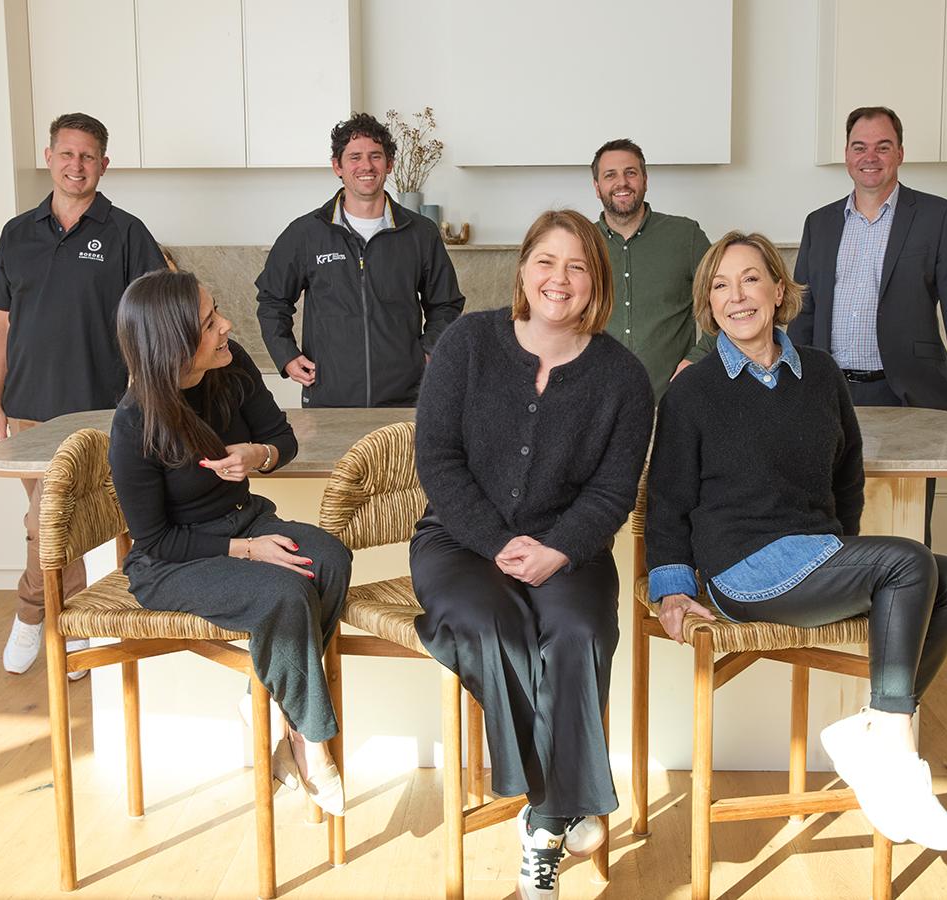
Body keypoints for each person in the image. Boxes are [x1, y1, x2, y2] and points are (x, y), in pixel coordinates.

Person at [646, 231, 947, 852]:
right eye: (719, 285)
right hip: (740, 570)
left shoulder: (820, 374)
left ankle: (877, 726)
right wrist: (671, 588)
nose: (735, 296)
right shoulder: (693, 389)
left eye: (749, 279)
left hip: (815, 557)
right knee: (906, 563)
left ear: (778, 290)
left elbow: (846, 474)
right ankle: (896, 753)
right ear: (707, 303)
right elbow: (667, 499)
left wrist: (849, 561)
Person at [411, 210, 653, 898]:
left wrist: (557, 549)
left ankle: (541, 830)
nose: (560, 278)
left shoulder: (624, 378)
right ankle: (562, 799)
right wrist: (496, 541)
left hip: (570, 551)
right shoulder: (467, 343)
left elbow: (614, 491)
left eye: (578, 266)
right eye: (547, 261)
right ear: (523, 270)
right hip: (460, 541)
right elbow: (438, 458)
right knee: (492, 625)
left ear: (595, 282)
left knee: (576, 634)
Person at [109, 269, 352, 815]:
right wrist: (249, 551)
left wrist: (255, 456)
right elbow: (157, 540)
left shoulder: (230, 362)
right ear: (173, 342)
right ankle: (309, 741)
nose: (227, 326)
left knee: (330, 559)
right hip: (174, 561)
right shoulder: (135, 423)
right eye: (210, 322)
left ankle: (261, 697)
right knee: (283, 594)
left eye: (217, 312)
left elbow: (281, 439)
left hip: (245, 520)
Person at [0, 112, 166, 677]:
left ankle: (32, 615)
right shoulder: (17, 233)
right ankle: (69, 627)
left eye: (88, 156)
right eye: (67, 154)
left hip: (104, 411)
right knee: (53, 523)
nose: (76, 165)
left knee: (76, 522)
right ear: (49, 157)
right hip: (30, 412)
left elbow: (154, 314)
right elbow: (0, 325)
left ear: (103, 165)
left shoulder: (127, 232)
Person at [787, 105, 947, 544]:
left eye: (883, 147)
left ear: (900, 153)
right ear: (846, 154)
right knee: (830, 514)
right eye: (860, 147)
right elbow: (803, 314)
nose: (871, 156)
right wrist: (792, 389)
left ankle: (906, 606)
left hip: (910, 395)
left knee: (907, 522)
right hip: (833, 393)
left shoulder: (938, 216)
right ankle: (841, 605)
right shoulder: (819, 223)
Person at [255, 112, 465, 408]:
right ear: (337, 167)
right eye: (354, 157)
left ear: (389, 164)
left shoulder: (420, 233)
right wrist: (286, 355)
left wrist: (428, 351)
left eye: (375, 156)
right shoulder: (306, 233)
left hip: (405, 400)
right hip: (329, 400)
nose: (366, 166)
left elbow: (446, 303)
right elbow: (272, 300)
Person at [591, 138, 712, 400]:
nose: (621, 182)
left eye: (630, 173)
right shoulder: (580, 242)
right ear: (597, 187)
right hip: (596, 404)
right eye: (610, 175)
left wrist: (698, 359)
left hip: (671, 404)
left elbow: (727, 306)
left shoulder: (685, 235)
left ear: (645, 180)